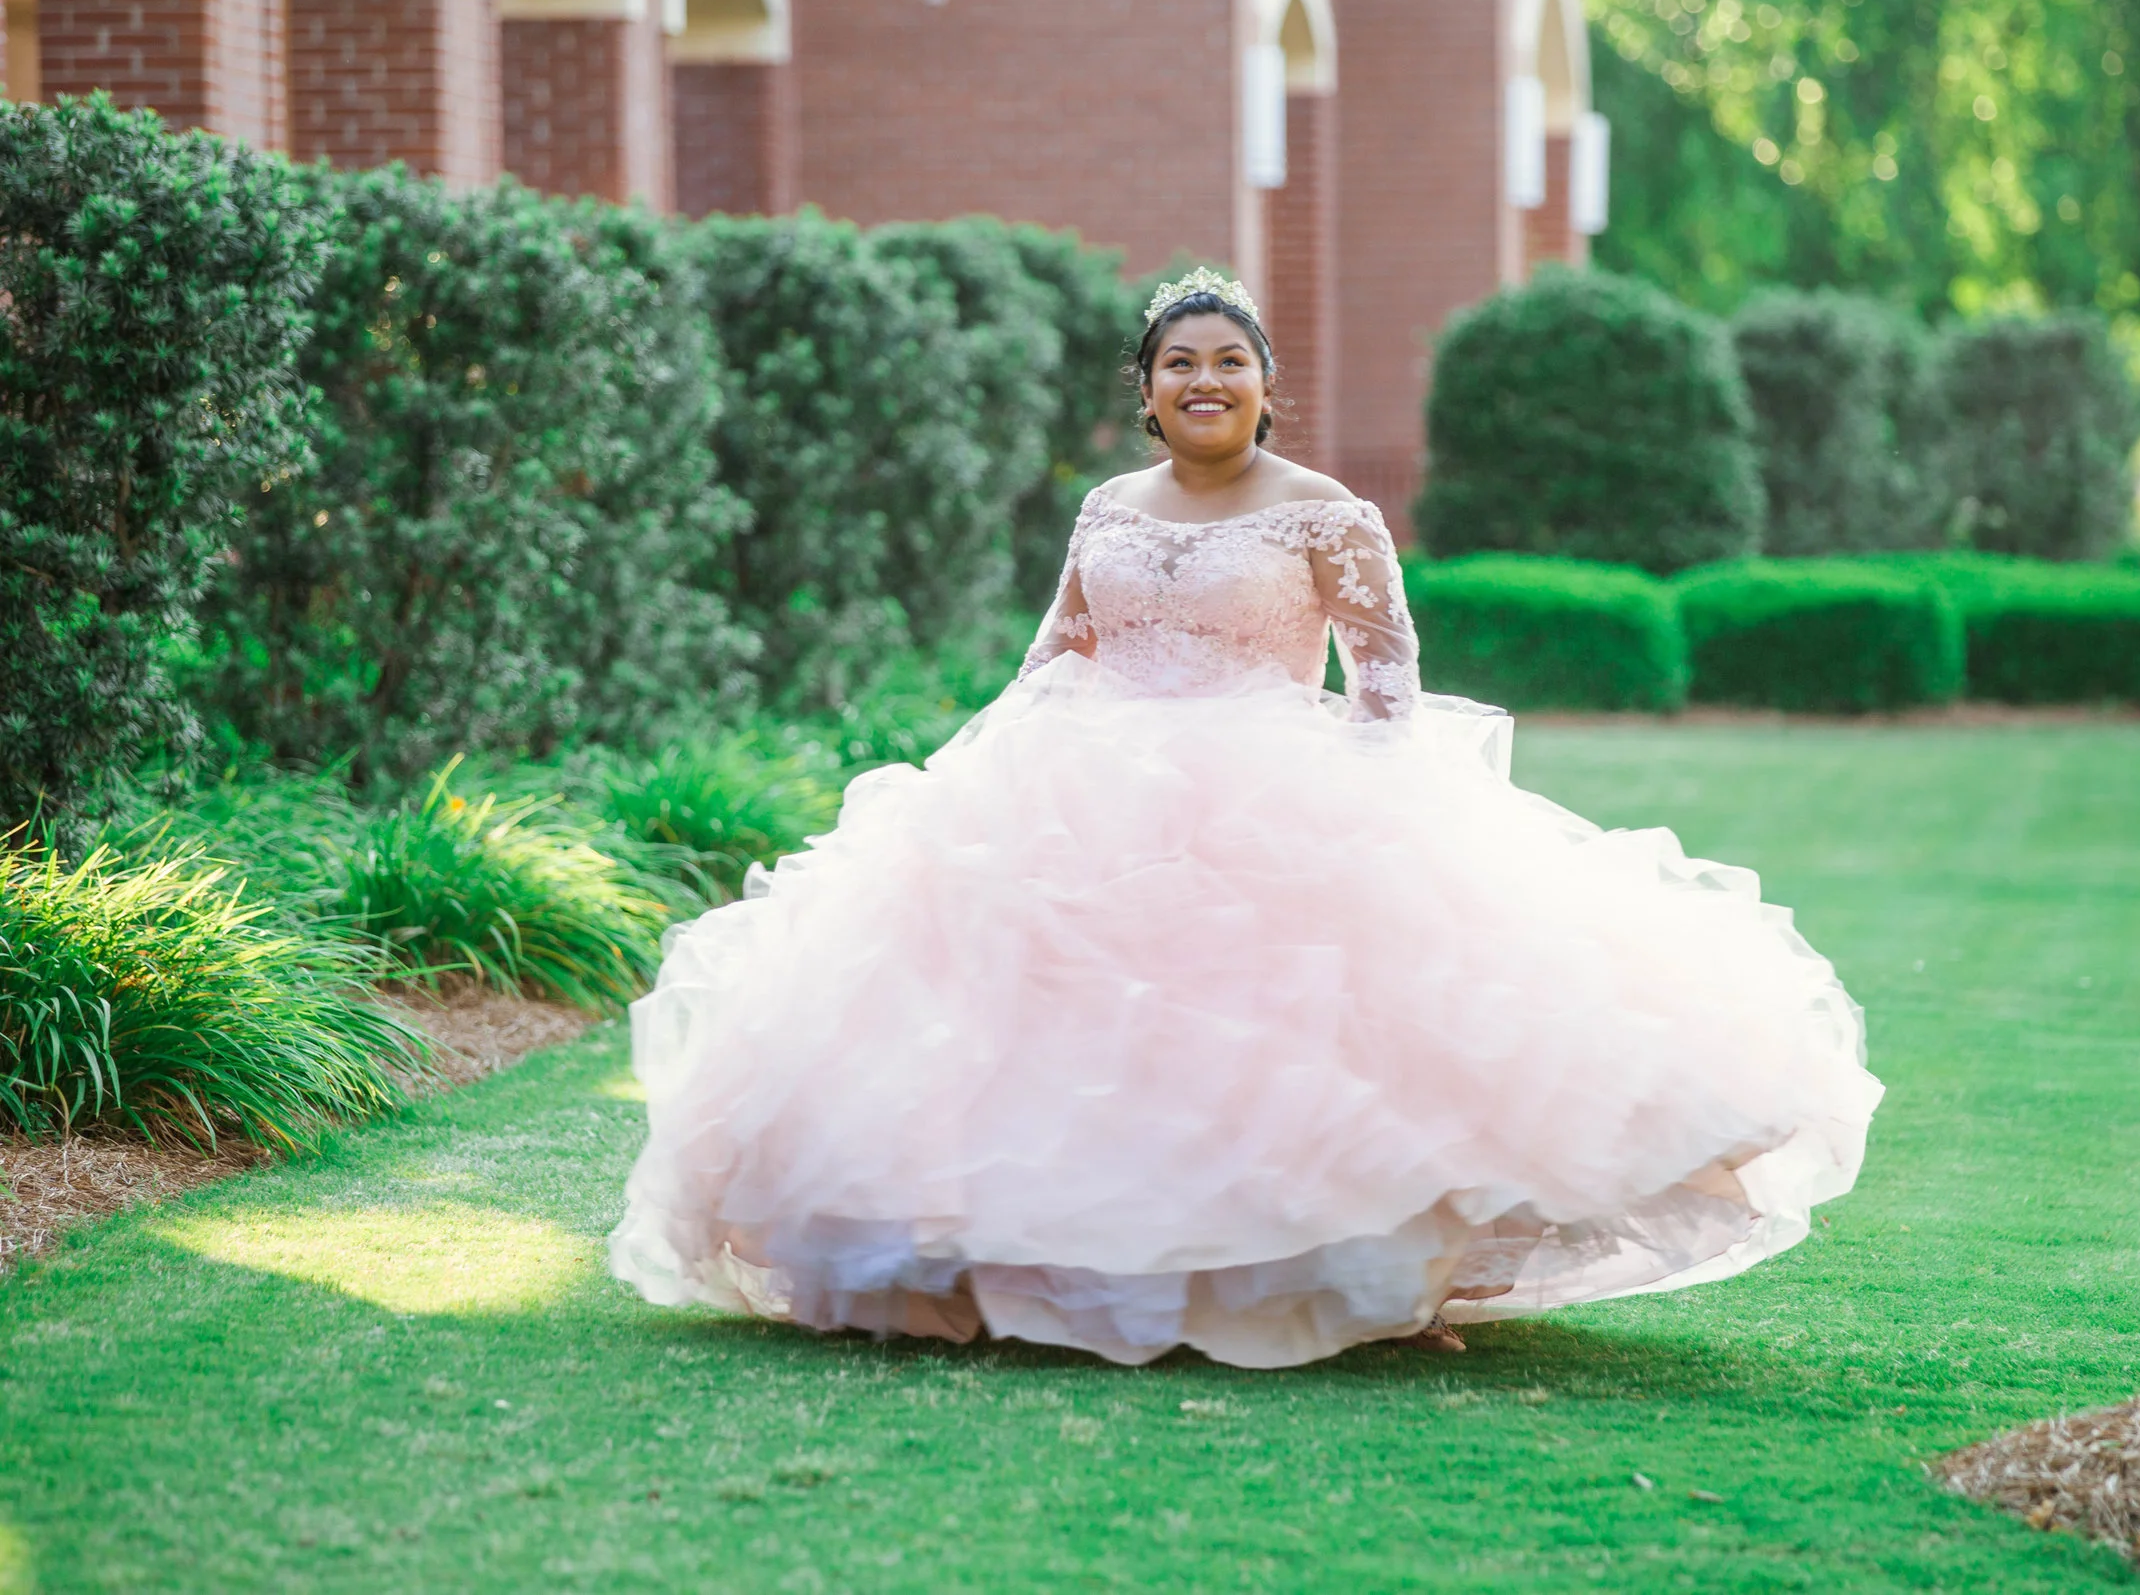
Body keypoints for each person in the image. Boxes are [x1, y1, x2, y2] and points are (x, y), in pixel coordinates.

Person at [610, 269, 1882, 1367]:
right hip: (1078, 791)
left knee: (1281, 1063)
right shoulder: (1109, 504)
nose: (1203, 381)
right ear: (1146, 387)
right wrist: (966, 778)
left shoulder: (1329, 510)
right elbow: (1055, 651)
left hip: (1269, 799)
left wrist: (1376, 830)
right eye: (1179, 363)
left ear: (1266, 386)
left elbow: (1386, 684)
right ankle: (1031, 1269)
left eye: (1229, 363)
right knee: (1050, 1046)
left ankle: (1319, 1278)